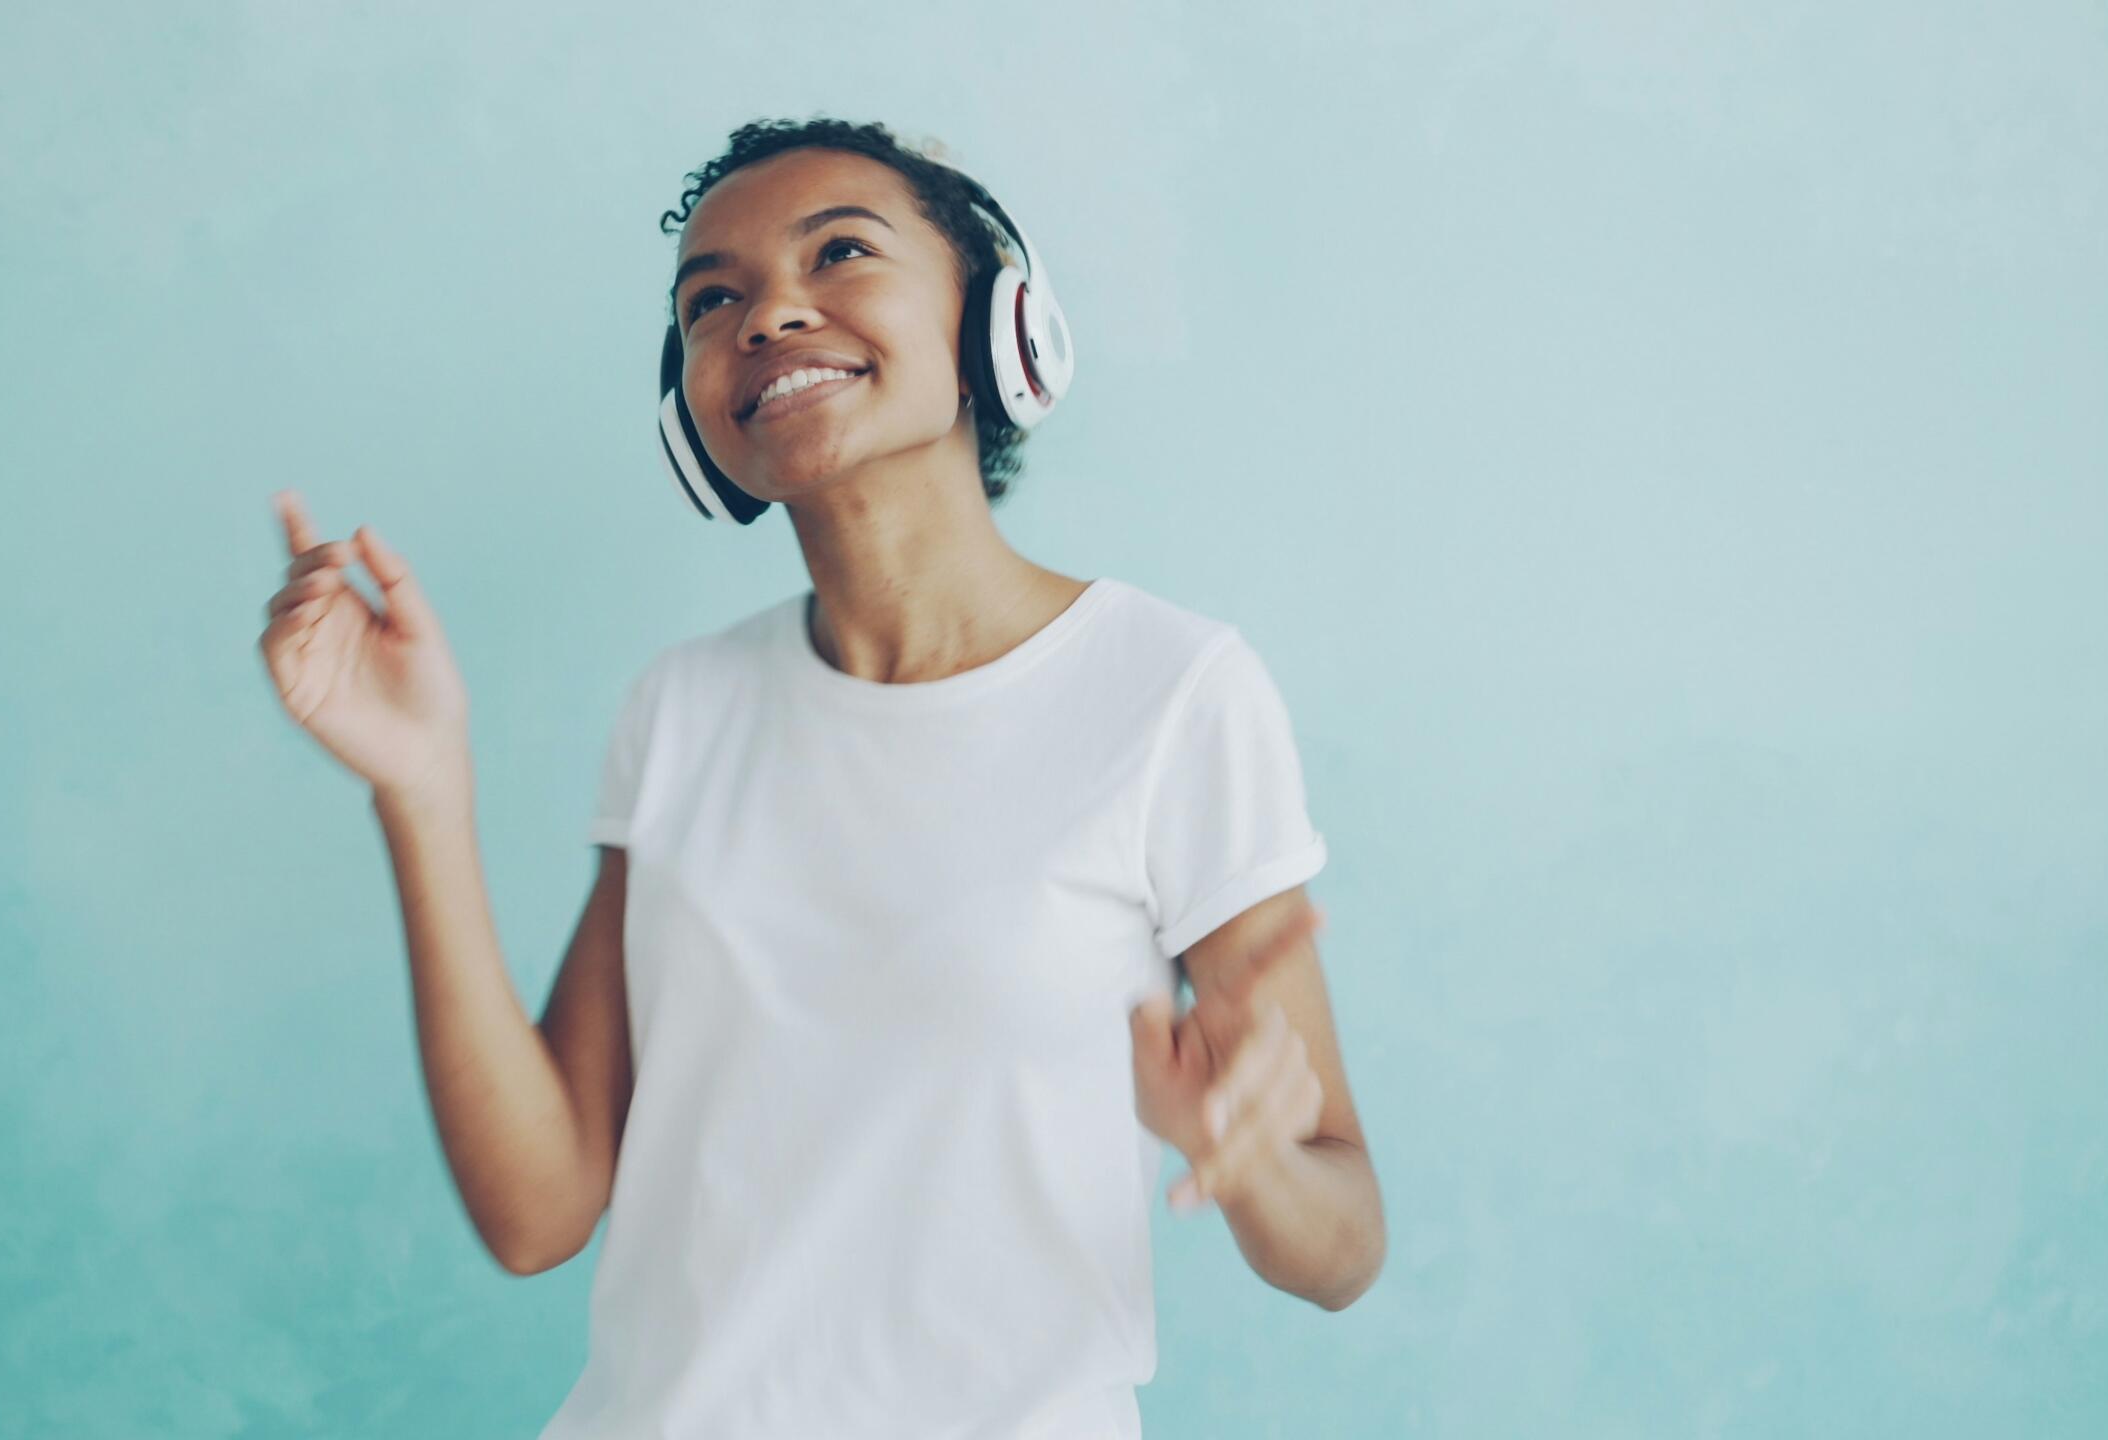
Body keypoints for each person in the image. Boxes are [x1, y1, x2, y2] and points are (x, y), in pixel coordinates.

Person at [256, 116, 1385, 1440]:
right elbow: (538, 1210)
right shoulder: (682, 709)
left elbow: (1342, 1237)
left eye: (838, 251)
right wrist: (422, 788)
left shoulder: (1175, 692)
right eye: (711, 299)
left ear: (998, 323)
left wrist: (1248, 1163)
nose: (769, 311)